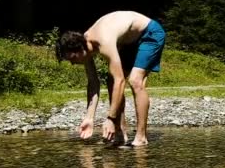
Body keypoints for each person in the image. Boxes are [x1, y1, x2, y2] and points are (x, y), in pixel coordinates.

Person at [55, 10, 166, 146]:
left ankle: (141, 137)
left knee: (135, 80)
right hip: (129, 41)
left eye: (72, 58)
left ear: (80, 48)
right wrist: (89, 118)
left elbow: (120, 81)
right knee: (110, 81)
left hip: (150, 33)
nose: (72, 63)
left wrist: (110, 118)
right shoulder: (86, 47)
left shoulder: (104, 40)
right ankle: (120, 133)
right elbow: (93, 83)